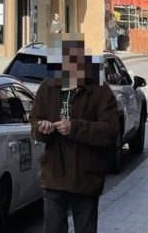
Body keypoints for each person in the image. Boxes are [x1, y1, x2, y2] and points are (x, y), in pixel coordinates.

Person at [29, 39, 119, 233]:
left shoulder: (99, 89)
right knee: (53, 228)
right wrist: (42, 128)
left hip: (86, 176)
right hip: (54, 173)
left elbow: (110, 130)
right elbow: (35, 119)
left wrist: (74, 128)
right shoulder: (48, 86)